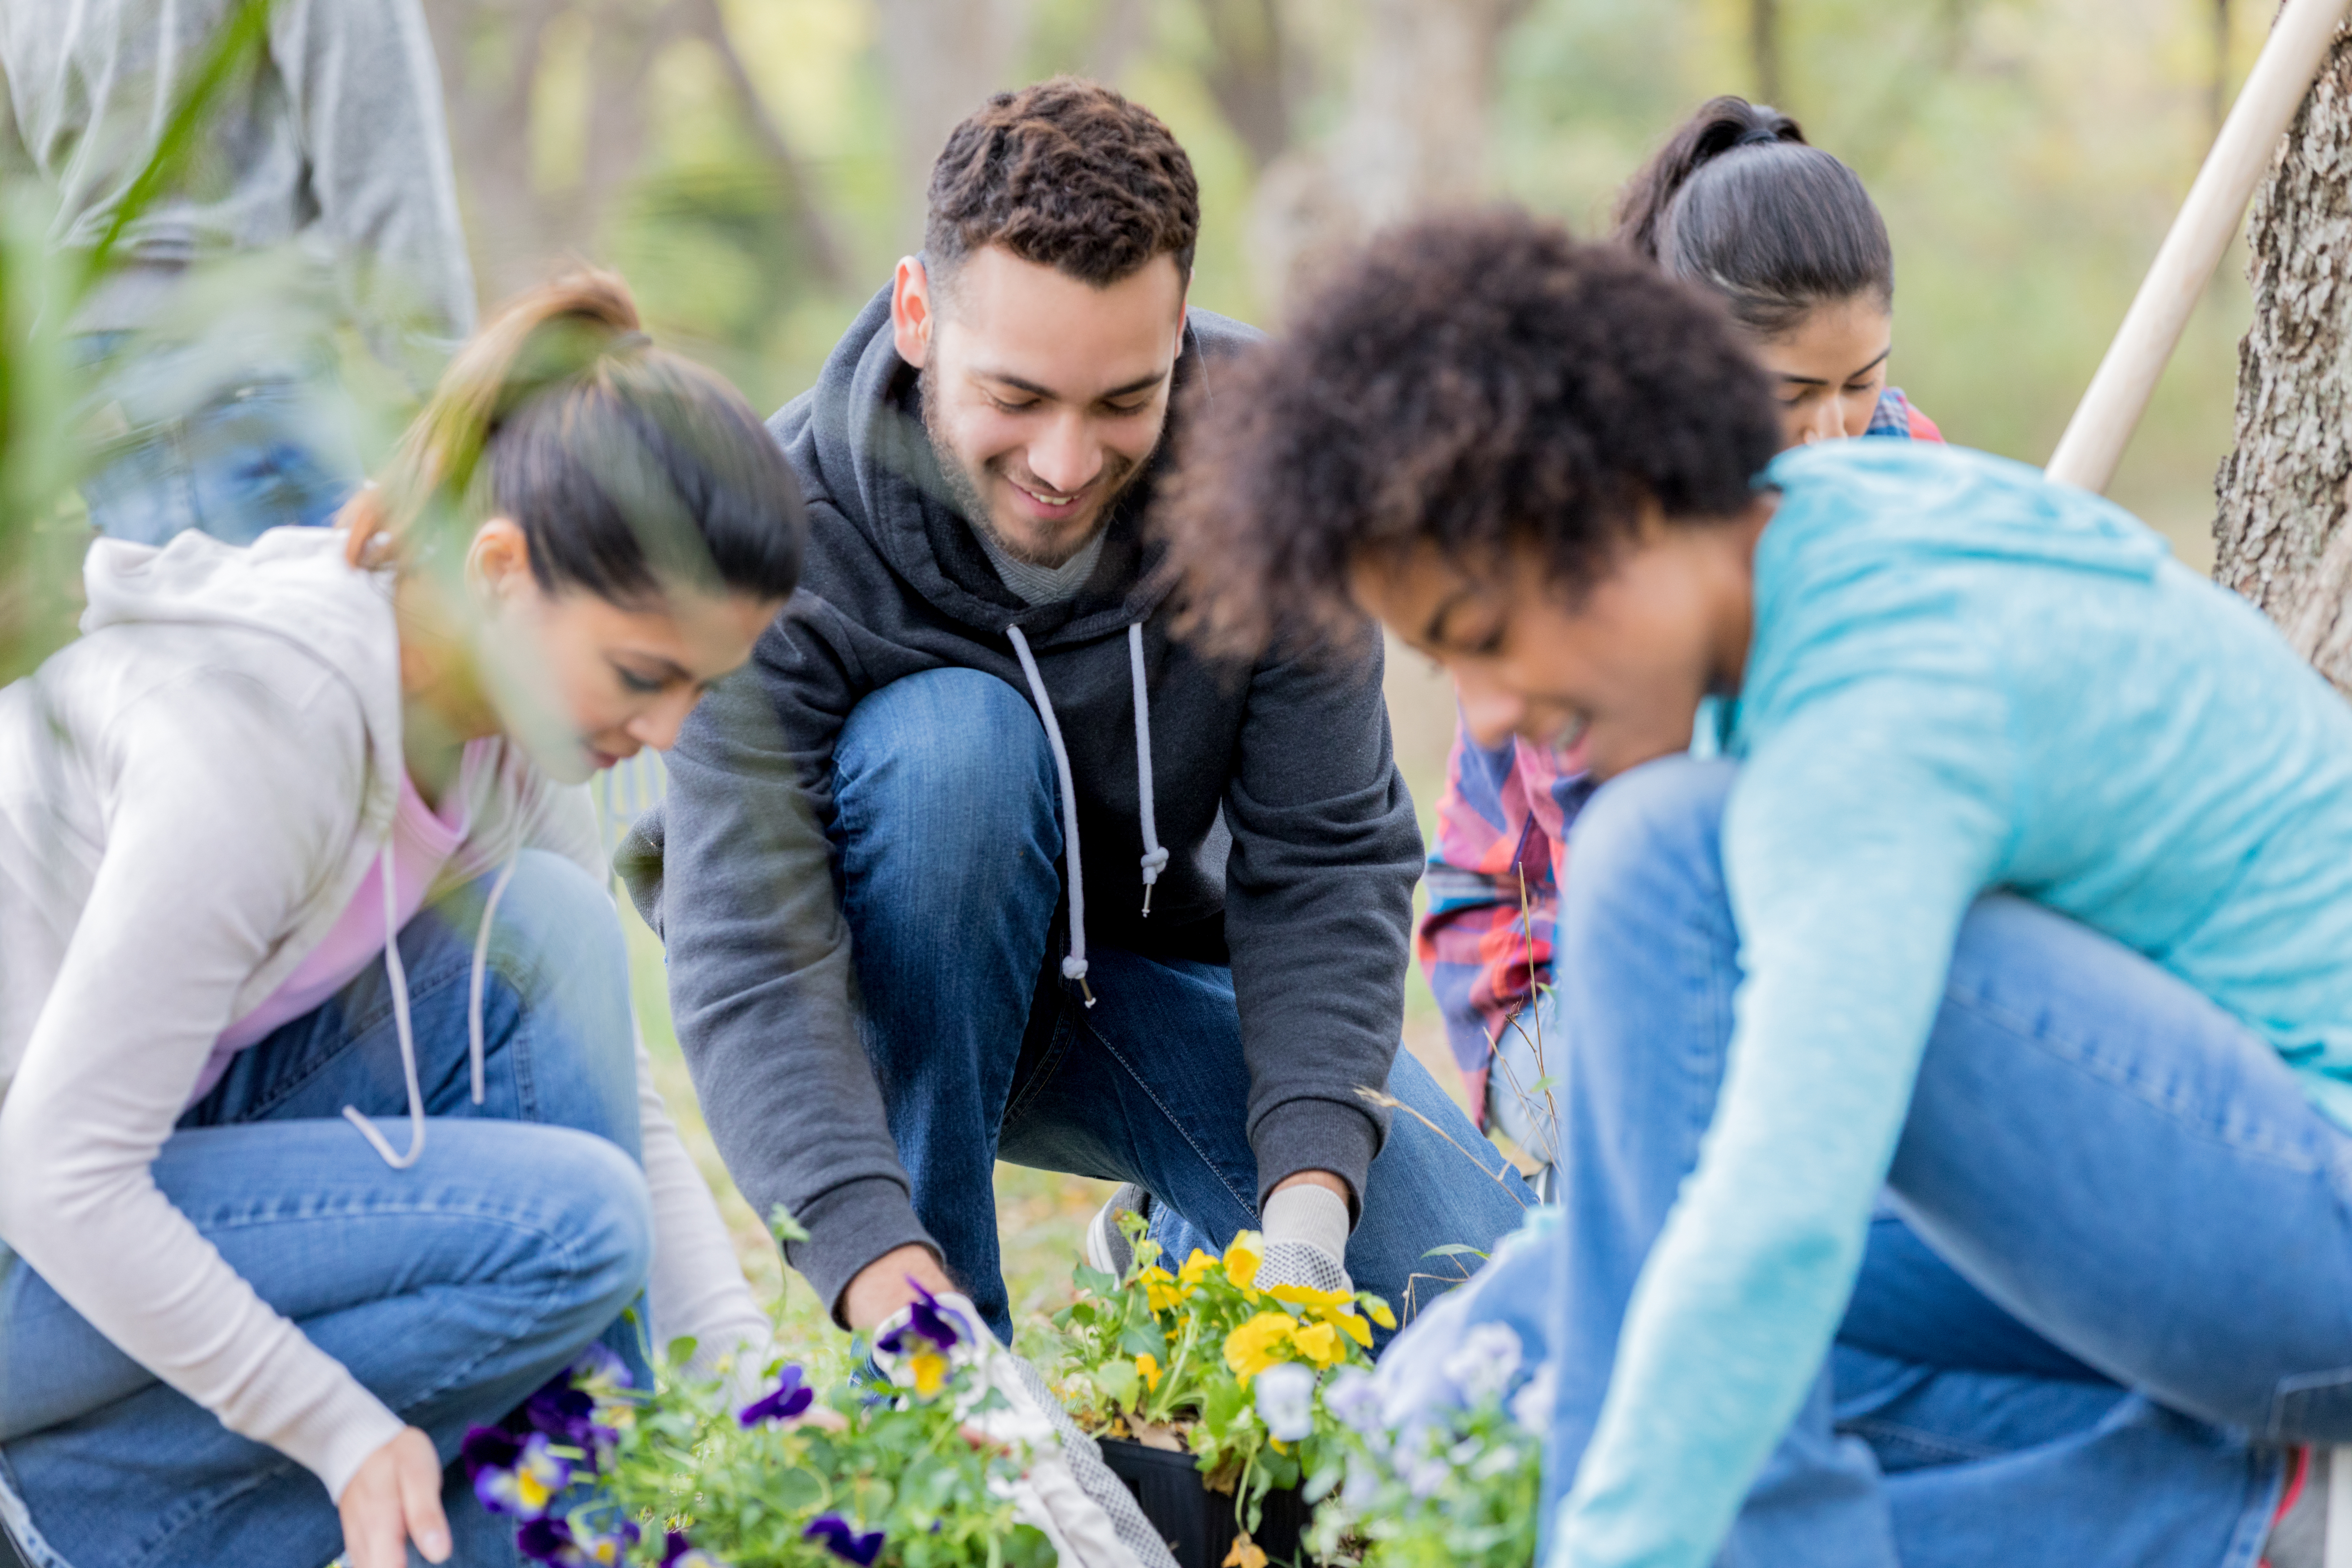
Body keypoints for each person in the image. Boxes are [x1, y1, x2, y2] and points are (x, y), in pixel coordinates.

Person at [1157, 209, 2352, 1567]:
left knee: (1658, 891)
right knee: (1577, 1292)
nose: (1487, 715)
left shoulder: (1872, 711)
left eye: (1487, 639)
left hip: (2318, 1236)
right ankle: (2242, 1525)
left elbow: (1779, 1210)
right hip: (2214, 1227)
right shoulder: (1813, 545)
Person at [620, 77, 1530, 1354]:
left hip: (1156, 985)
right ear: (919, 313)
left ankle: (1169, 1245)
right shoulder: (779, 539)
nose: (1064, 463)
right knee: (952, 754)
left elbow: (1324, 857)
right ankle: (955, 1379)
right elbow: (753, 959)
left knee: (1478, 1315)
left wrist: (1309, 1223)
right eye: (1018, 398)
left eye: (1124, 404)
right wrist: (890, 1296)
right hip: (897, 988)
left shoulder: (1273, 466)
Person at [0, 273, 797, 1568]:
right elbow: (57, 1169)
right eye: (645, 675)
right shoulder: (271, 724)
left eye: (701, 688)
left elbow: (609, 1095)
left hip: (137, 1173)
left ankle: (594, 1534)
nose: (667, 734)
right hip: (31, 1231)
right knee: (565, 1233)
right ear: (501, 571)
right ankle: (76, 1521)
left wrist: (764, 1410)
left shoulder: (512, 732)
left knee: (560, 938)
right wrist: (335, 1427)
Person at [1421, 97, 1940, 1185]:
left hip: (1810, 916)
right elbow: (1634, 886)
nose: (1837, 429)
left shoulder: (1897, 458)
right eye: (1791, 395)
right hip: (1565, 965)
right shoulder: (1595, 532)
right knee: (1715, 1150)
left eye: (1863, 379)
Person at [0, 0, 477, 545]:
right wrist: (467, 413)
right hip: (233, 374)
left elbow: (18, 203)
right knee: (319, 623)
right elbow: (385, 187)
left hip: (91, 398)